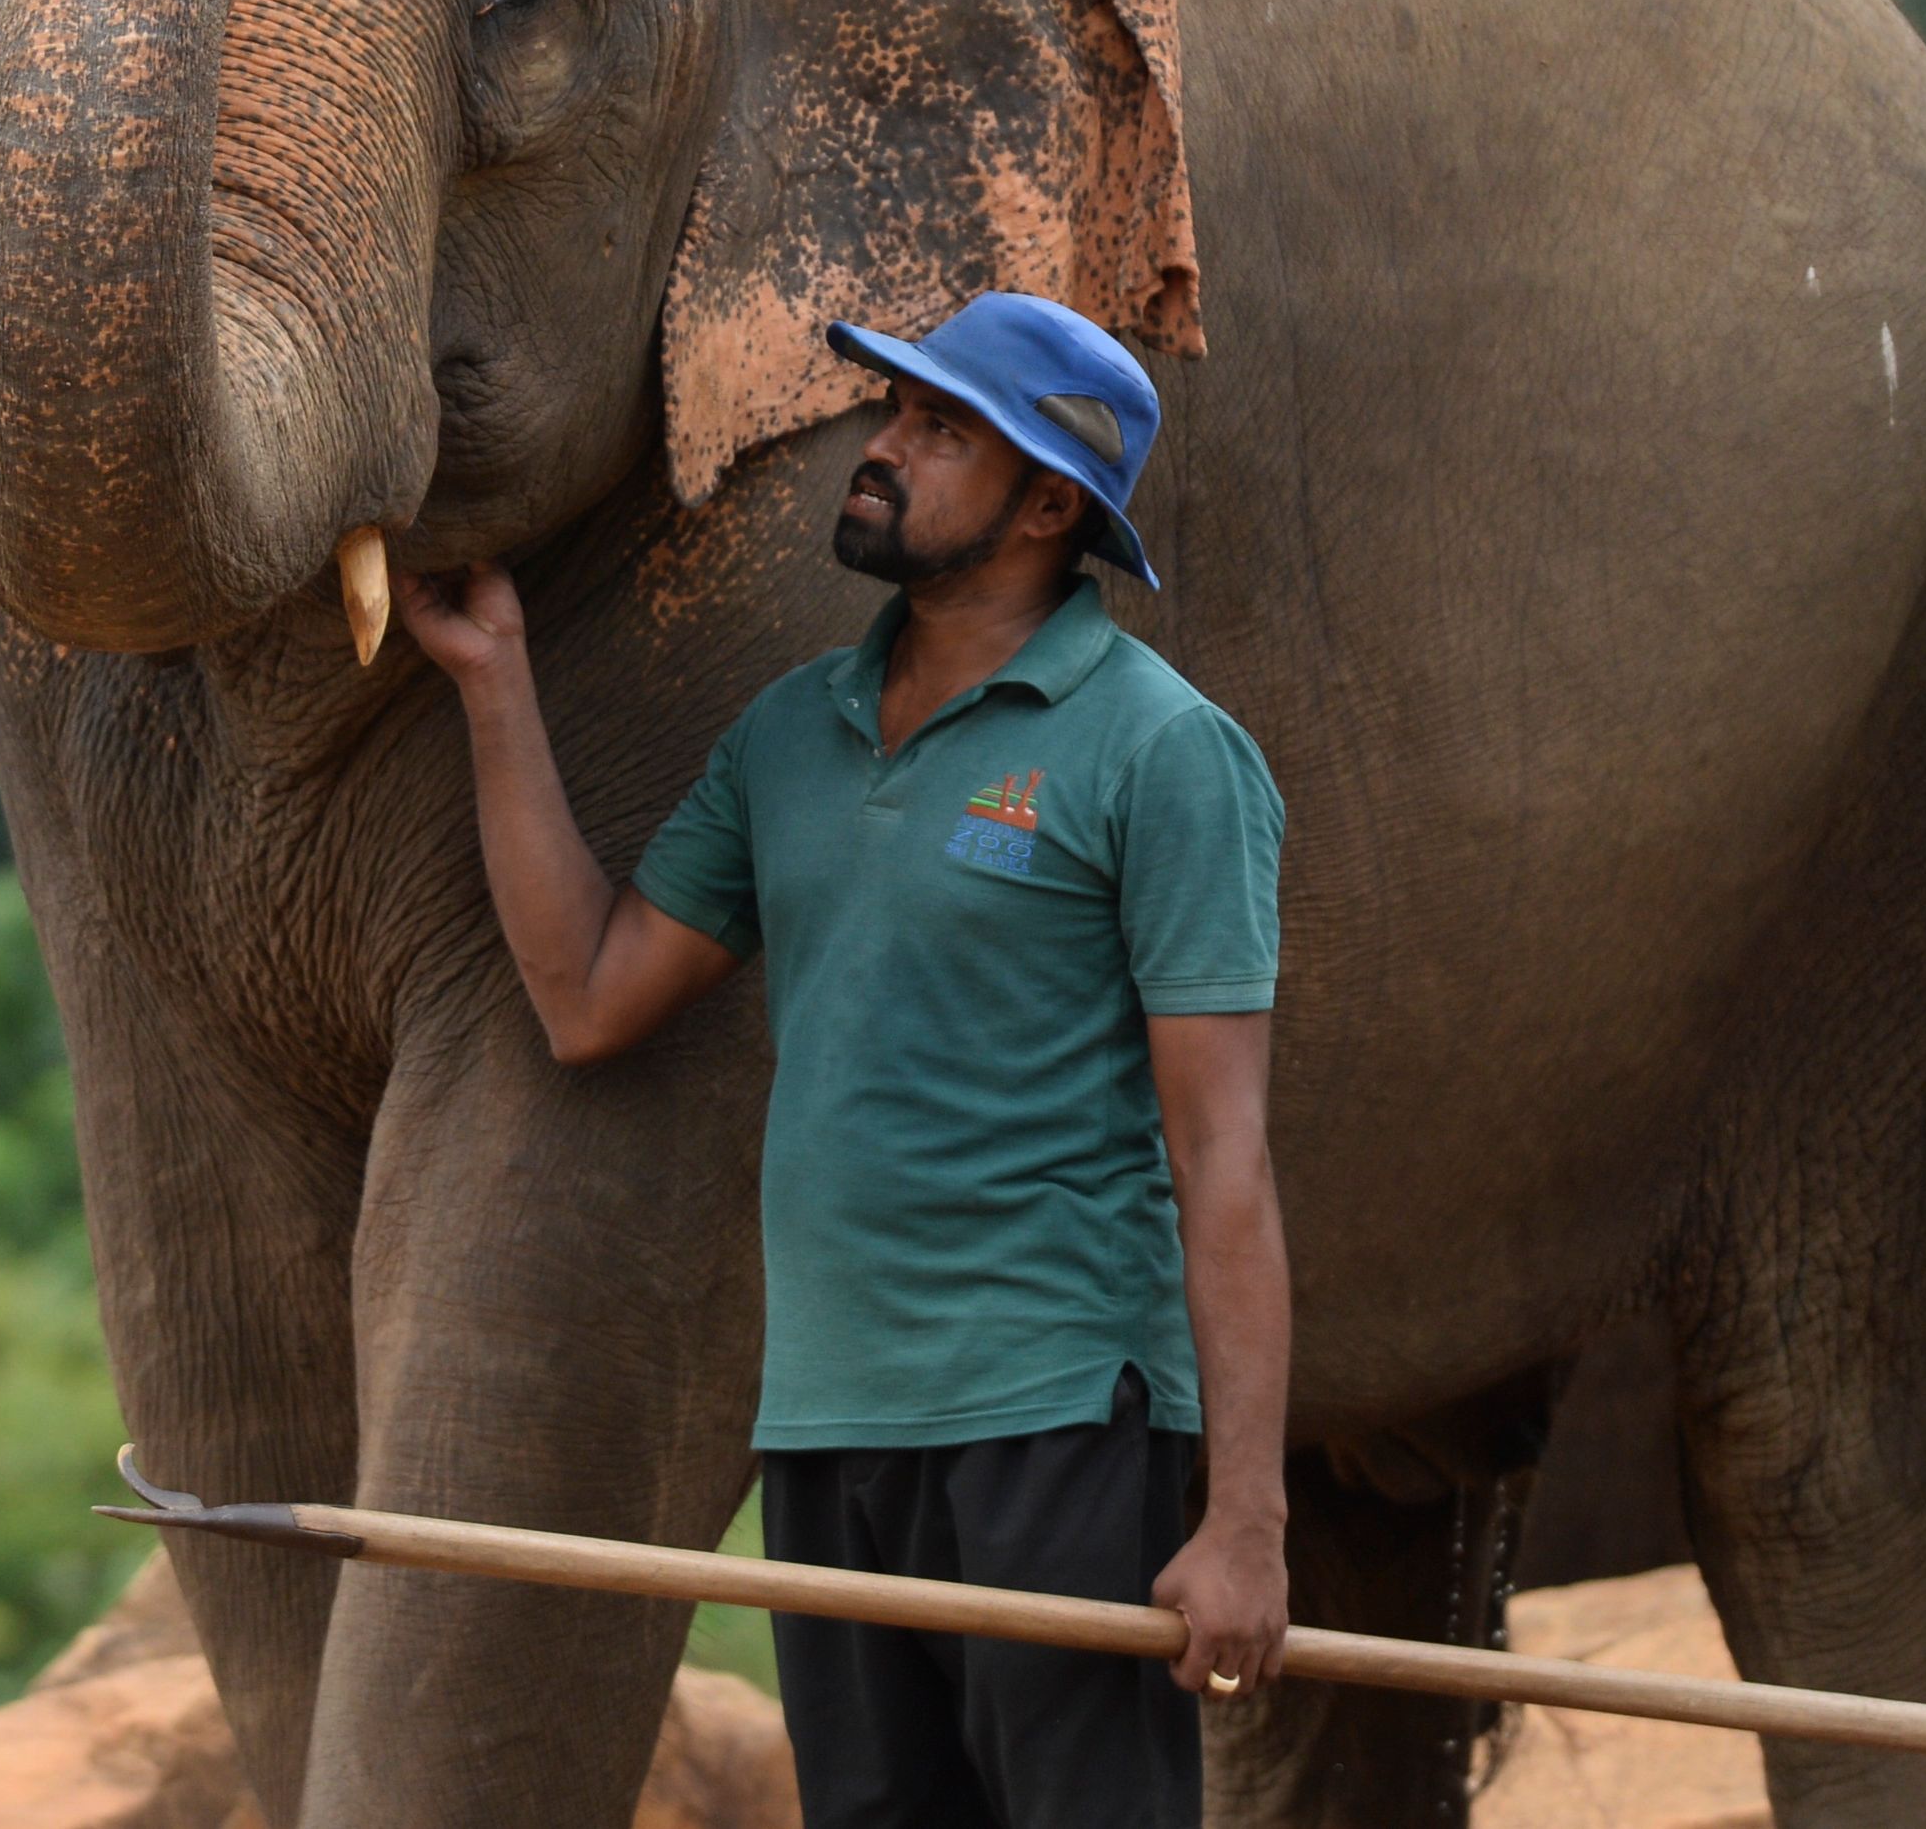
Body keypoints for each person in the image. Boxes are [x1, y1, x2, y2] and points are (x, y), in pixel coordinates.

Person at [402, 290, 1291, 1829]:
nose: (879, 449)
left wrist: (1245, 1522)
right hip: (825, 1427)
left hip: (1056, 1418)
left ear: (1049, 502)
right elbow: (587, 996)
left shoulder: (1162, 752)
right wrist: (494, 687)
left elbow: (1224, 1157)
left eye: (938, 429)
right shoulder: (789, 738)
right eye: (891, 412)